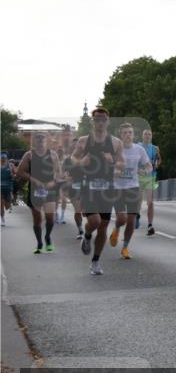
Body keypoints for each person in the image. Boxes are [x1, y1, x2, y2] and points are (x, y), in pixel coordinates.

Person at [71, 108, 125, 275]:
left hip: (107, 189)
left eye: (103, 119)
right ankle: (87, 235)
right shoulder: (83, 141)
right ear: (92, 122)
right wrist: (82, 162)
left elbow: (122, 164)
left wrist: (113, 161)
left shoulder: (116, 143)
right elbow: (72, 159)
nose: (100, 122)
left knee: (103, 227)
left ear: (108, 121)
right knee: (94, 222)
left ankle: (95, 261)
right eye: (97, 119)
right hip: (90, 187)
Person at [107, 123, 151, 260]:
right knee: (122, 218)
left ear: (133, 135)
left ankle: (125, 248)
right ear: (121, 135)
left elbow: (149, 165)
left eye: (130, 132)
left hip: (134, 187)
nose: (128, 135)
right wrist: (114, 171)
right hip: (117, 188)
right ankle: (116, 229)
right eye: (125, 132)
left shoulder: (139, 150)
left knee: (131, 220)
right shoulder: (114, 150)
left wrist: (145, 171)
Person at [16, 134, 63, 253]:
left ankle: (47, 237)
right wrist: (34, 180)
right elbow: (20, 172)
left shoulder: (53, 155)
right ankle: (39, 243)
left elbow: (58, 173)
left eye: (42, 138)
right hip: (35, 190)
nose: (41, 141)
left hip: (49, 189)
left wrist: (53, 182)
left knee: (50, 218)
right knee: (37, 220)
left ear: (46, 141)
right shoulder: (29, 155)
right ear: (34, 142)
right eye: (38, 139)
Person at [61, 139, 86, 238]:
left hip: (88, 186)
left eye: (79, 146)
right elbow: (62, 174)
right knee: (78, 210)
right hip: (74, 187)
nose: (78, 148)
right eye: (75, 146)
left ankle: (90, 225)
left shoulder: (88, 158)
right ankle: (80, 230)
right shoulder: (67, 160)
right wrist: (66, 178)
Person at [139, 128, 160, 235]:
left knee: (150, 203)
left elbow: (159, 160)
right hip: (138, 177)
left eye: (149, 134)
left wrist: (156, 163)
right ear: (142, 136)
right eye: (145, 134)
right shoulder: (137, 146)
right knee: (137, 200)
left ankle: (150, 225)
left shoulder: (155, 148)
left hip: (150, 177)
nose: (147, 136)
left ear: (151, 136)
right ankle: (137, 216)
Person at [1, 153, 12, 226]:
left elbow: (16, 173)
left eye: (4, 158)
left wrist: (14, 175)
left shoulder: (10, 166)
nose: (3, 159)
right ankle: (2, 219)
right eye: (2, 158)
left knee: (7, 206)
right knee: (1, 203)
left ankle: (9, 205)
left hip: (8, 188)